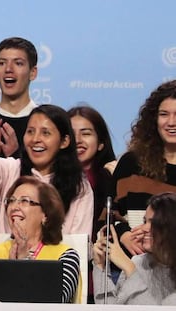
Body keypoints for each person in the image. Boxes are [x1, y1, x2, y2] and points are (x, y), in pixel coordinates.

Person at [0, 73, 94, 237]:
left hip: (57, 262)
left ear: (64, 141)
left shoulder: (79, 186)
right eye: (30, 131)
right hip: (8, 260)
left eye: (45, 133)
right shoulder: (12, 170)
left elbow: (79, 243)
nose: (35, 140)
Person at [0, 176, 81, 303]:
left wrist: (24, 264)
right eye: (11, 201)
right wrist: (10, 270)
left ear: (45, 214)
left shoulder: (65, 256)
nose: (14, 207)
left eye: (24, 201)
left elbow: (58, 298)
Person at [112, 80, 176, 258]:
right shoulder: (131, 163)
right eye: (164, 114)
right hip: (130, 265)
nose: (171, 122)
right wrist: (124, 235)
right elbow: (108, 215)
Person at [93, 192, 176, 305]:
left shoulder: (131, 266)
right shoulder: (139, 262)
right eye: (144, 221)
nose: (143, 228)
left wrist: (130, 269)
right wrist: (100, 266)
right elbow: (113, 307)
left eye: (153, 223)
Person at [68, 105, 117, 242]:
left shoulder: (110, 178)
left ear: (101, 143)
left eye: (86, 133)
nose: (77, 140)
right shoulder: (50, 180)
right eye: (71, 134)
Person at [0, 37, 38, 158]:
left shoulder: (45, 122)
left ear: (33, 73)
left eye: (18, 63)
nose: (8, 69)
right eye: (2, 63)